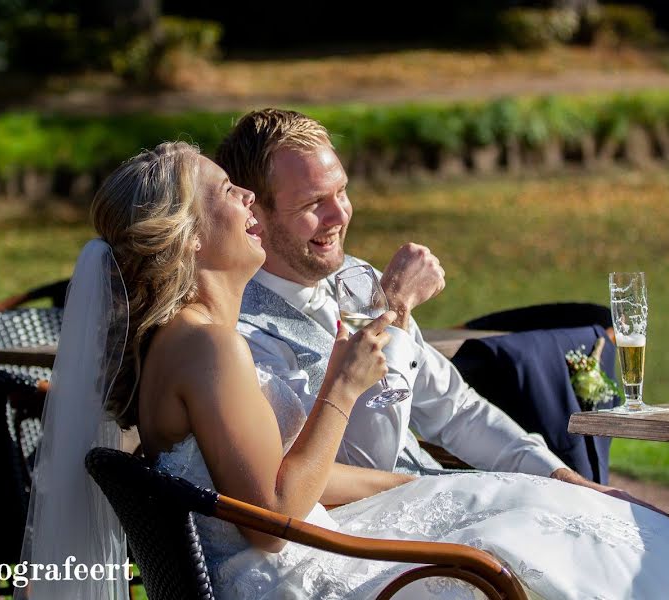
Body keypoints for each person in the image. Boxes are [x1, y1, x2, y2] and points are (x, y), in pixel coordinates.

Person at [21, 140, 669, 599]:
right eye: (228, 191)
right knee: (566, 545)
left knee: (536, 508)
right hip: (304, 578)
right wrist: (343, 389)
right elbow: (275, 523)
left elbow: (264, 479)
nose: (246, 197)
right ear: (185, 238)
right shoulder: (208, 344)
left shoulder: (186, 339)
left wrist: (426, 485)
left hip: (305, 547)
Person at [215, 108, 625, 492]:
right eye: (313, 203)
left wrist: (560, 476)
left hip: (434, 497)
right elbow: (363, 463)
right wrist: (394, 311)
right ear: (256, 215)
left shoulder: (356, 278)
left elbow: (455, 410)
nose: (339, 215)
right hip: (377, 537)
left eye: (342, 191)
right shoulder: (241, 333)